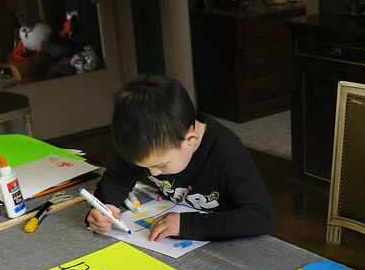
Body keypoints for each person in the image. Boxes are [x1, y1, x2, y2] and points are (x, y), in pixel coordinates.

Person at [86, 75, 274, 241]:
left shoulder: (226, 153)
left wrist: (186, 225)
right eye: (144, 167)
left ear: (190, 140)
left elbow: (260, 217)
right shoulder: (148, 142)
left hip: (224, 238)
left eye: (161, 165)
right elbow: (119, 176)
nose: (153, 173)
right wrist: (106, 206)